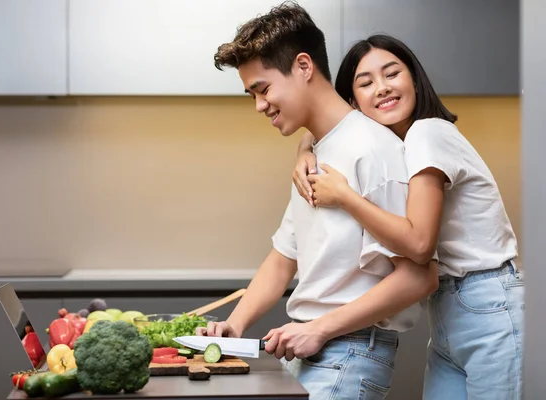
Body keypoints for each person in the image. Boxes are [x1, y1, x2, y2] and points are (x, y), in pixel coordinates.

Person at [197, 3, 438, 399]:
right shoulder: (314, 154)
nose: (259, 105)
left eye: (263, 88)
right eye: (251, 94)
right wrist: (234, 326)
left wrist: (320, 328)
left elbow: (417, 274)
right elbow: (283, 257)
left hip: (350, 351)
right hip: (312, 348)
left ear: (304, 66)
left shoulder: (373, 149)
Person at [291, 34, 525, 400]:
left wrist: (345, 198)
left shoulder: (428, 133)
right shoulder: (399, 147)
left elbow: (419, 243)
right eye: (365, 83)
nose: (382, 88)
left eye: (392, 74)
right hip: (449, 309)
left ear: (414, 79)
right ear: (353, 102)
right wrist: (306, 145)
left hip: (489, 302)